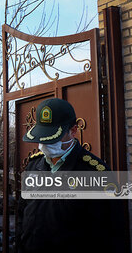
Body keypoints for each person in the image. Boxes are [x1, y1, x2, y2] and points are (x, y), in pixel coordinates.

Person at [16, 98, 128, 253]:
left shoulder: (95, 173)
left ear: (73, 131)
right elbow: (22, 215)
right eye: (43, 137)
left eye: (54, 137)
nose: (45, 144)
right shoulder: (33, 166)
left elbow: (111, 235)